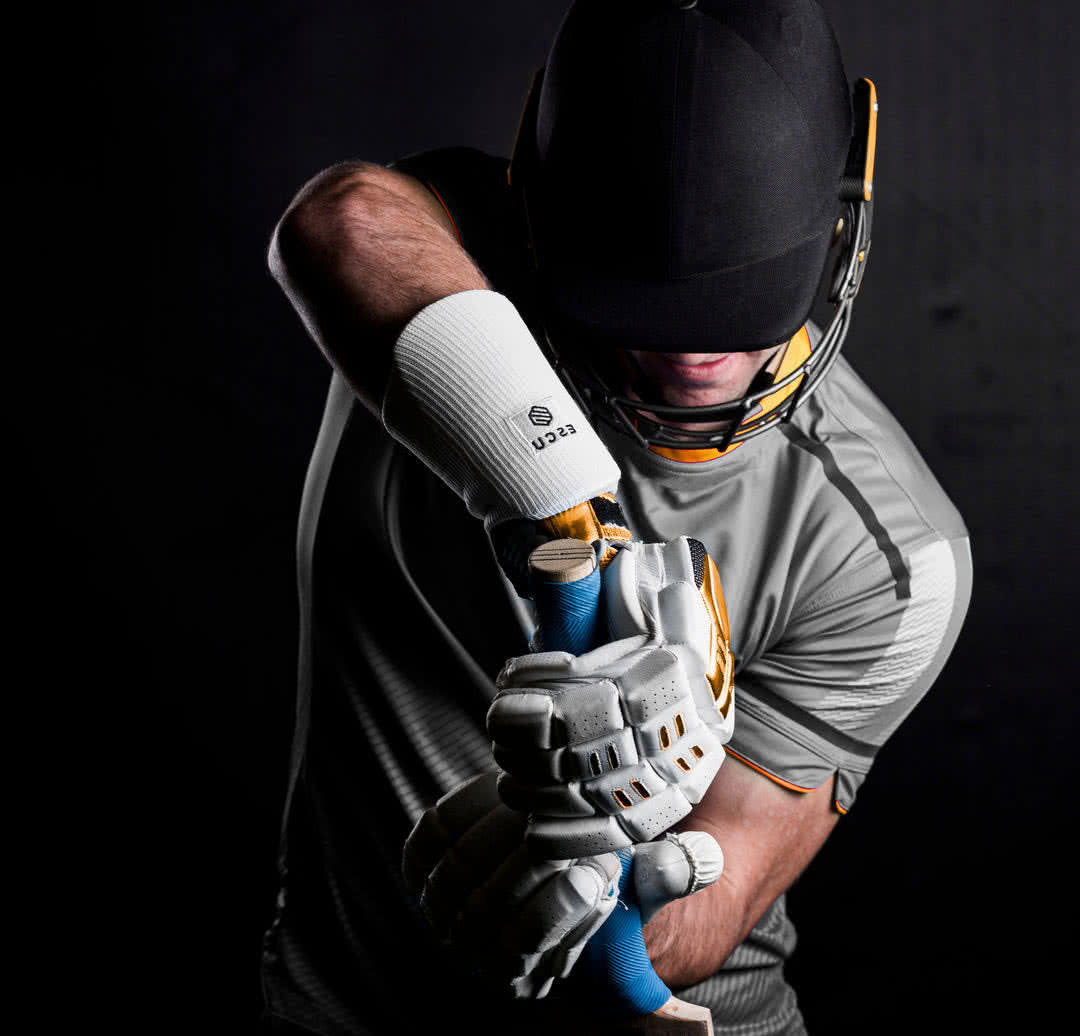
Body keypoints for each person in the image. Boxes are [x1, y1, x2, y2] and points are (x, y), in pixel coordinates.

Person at [259, 2, 972, 1034]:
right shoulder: (456, 289)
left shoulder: (890, 553)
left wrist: (588, 903)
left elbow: (714, 909)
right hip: (344, 1011)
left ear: (835, 217)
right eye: (647, 313)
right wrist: (565, 519)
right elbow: (344, 224)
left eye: (739, 319)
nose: (690, 358)